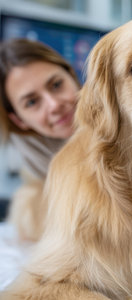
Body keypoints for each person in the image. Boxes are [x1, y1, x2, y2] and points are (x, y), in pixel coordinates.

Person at [0, 38, 80, 241]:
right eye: (33, 102)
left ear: (71, 76)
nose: (54, 105)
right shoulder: (34, 156)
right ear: (19, 120)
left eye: (56, 85)